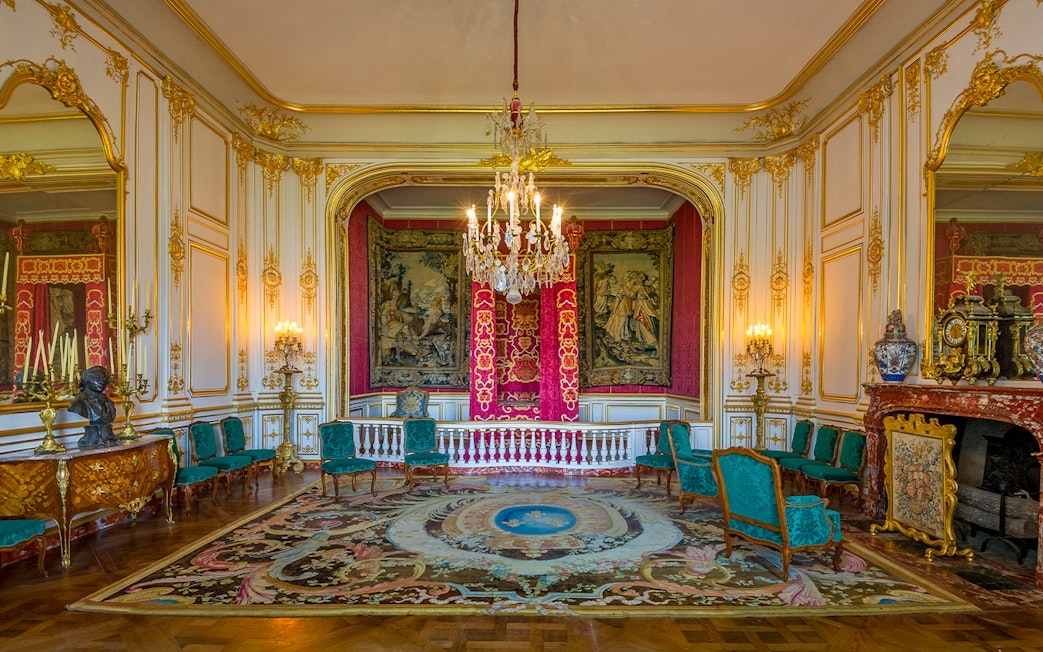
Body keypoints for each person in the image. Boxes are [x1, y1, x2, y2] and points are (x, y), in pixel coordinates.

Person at [68, 365, 119, 449]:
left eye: (104, 379)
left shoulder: (109, 402)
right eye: (97, 379)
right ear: (87, 381)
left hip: (107, 439)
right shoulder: (78, 404)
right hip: (92, 441)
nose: (102, 382)